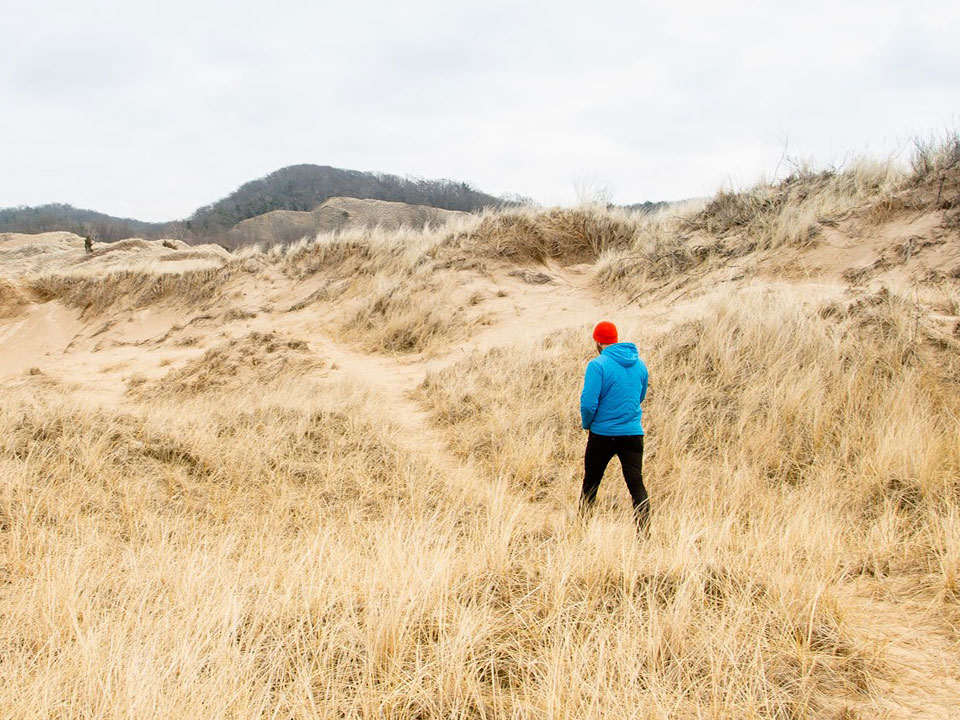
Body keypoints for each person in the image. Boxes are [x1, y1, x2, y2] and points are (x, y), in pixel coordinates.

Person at [579, 320, 650, 533]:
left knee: (591, 482)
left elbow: (588, 403)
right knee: (636, 485)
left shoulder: (598, 365)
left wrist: (588, 423)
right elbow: (640, 396)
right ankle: (644, 533)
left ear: (598, 342)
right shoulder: (640, 364)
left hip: (602, 433)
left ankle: (581, 528)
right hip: (633, 433)